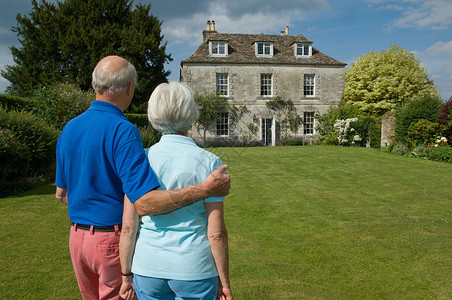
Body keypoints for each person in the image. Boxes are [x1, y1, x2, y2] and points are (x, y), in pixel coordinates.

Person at [55, 56, 230, 300]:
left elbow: (62, 194)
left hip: (77, 238)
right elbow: (144, 202)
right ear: (129, 88)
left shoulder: (69, 128)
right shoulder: (122, 129)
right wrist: (204, 189)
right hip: (111, 237)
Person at [119, 82, 233, 300]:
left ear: (153, 113)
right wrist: (224, 281)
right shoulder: (210, 162)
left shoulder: (141, 159)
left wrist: (126, 276)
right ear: (190, 113)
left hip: (148, 266)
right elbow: (216, 233)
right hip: (194, 267)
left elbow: (128, 228)